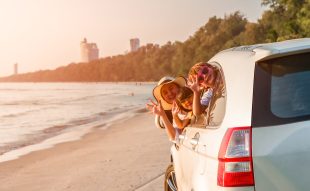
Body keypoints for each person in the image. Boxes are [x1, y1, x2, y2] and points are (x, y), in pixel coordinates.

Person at [146, 76, 186, 140]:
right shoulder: (173, 114)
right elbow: (174, 137)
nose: (170, 93)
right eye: (165, 93)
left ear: (179, 88)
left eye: (171, 88)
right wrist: (162, 115)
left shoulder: (191, 101)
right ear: (164, 99)